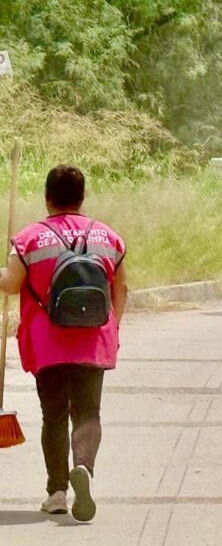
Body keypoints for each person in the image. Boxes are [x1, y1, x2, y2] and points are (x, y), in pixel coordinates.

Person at [0, 165, 128, 522]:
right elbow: (121, 289)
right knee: (88, 412)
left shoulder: (28, 239)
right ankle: (83, 466)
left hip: (49, 343)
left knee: (53, 414)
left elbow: (11, 284)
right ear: (82, 197)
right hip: (94, 339)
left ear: (47, 196)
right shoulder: (108, 237)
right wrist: (113, 328)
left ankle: (56, 491)